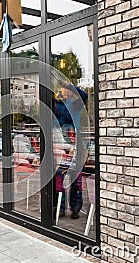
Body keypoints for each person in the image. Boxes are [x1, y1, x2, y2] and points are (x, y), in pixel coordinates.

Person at [53, 82, 88, 220]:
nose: (64, 91)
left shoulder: (76, 105)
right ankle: (60, 208)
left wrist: (70, 85)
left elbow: (84, 95)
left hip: (75, 145)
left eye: (65, 90)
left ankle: (75, 208)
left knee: (76, 179)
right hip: (60, 145)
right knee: (59, 178)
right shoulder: (56, 105)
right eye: (62, 89)